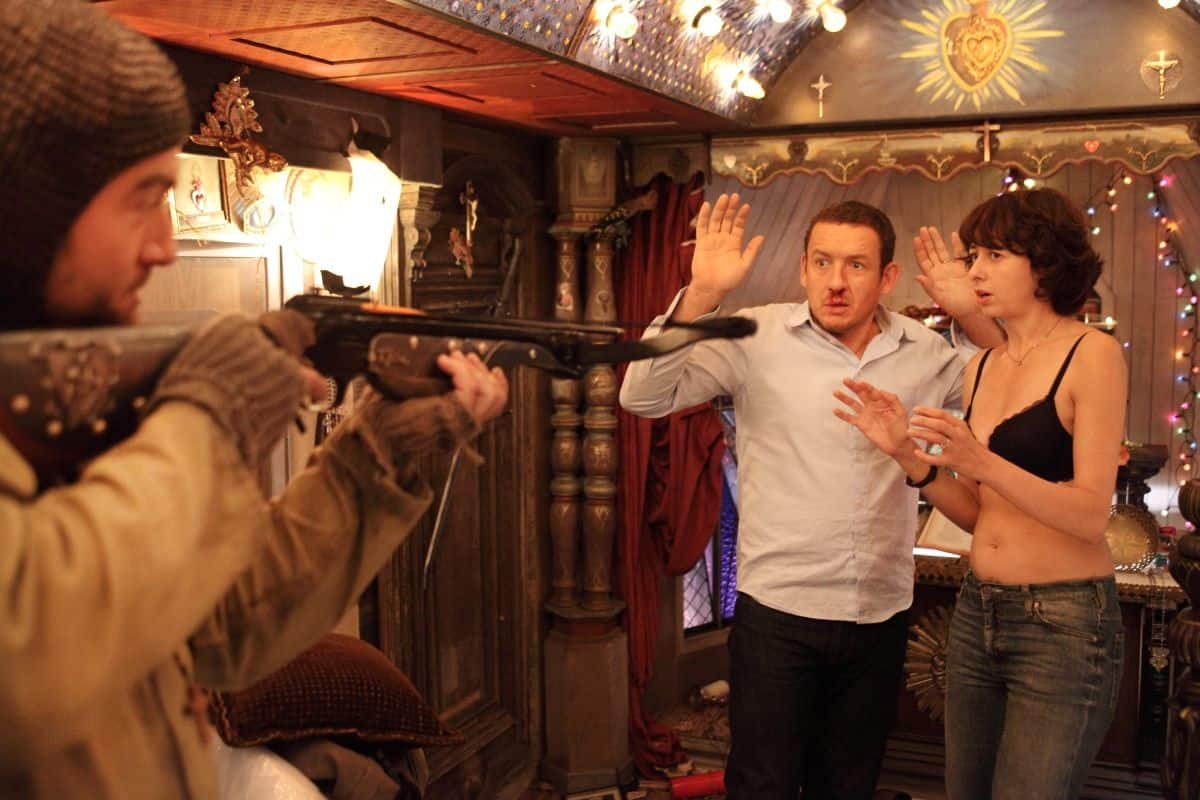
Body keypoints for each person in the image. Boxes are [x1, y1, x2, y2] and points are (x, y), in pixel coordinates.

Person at [0, 2, 509, 798]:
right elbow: (30, 657)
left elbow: (221, 627)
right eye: (141, 197)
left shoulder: (55, 399)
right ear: (33, 205)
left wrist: (378, 455)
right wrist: (212, 414)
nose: (164, 245)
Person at [619, 193, 1002, 800]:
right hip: (777, 613)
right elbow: (641, 395)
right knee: (762, 786)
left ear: (888, 277)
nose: (836, 282)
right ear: (803, 268)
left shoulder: (926, 354)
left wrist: (971, 314)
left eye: (856, 265)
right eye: (822, 262)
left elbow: (1012, 383)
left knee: (848, 787)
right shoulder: (754, 335)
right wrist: (700, 295)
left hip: (878, 614)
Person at [834, 187, 1127, 800]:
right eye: (974, 257)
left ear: (1043, 264)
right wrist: (908, 456)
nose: (975, 273)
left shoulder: (1092, 354)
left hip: (1063, 621)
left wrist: (983, 461)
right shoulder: (981, 367)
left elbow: (1088, 515)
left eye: (995, 256)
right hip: (977, 612)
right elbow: (977, 514)